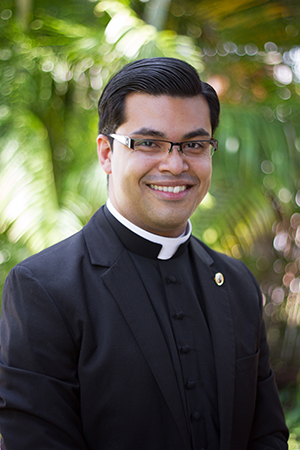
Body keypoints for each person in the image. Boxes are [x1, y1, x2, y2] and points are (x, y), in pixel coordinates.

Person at [0, 57, 288, 450]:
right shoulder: (44, 288)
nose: (175, 164)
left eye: (194, 145)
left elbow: (267, 434)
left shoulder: (236, 283)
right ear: (106, 153)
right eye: (148, 143)